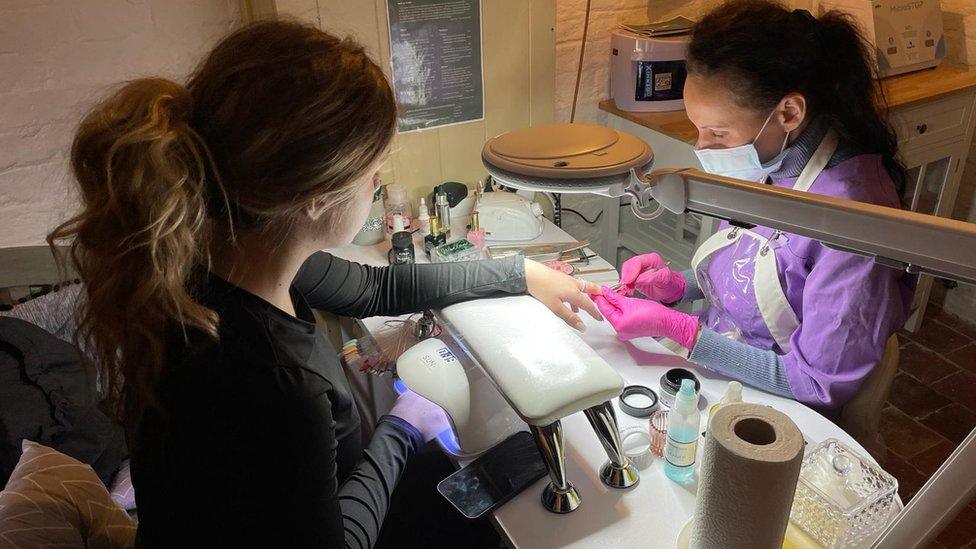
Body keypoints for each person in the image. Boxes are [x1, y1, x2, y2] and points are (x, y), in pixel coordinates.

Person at [49, 20, 602, 548]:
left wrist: (518, 273)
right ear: (317, 195)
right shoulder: (274, 383)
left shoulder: (221, 248)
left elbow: (376, 290)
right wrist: (401, 428)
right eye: (375, 169)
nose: (379, 182)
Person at [591, 0, 914, 411]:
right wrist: (679, 285)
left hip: (789, 405)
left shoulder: (853, 221)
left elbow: (815, 382)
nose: (703, 147)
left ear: (789, 112)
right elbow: (758, 267)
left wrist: (685, 333)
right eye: (697, 128)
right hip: (724, 367)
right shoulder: (772, 160)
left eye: (717, 133)